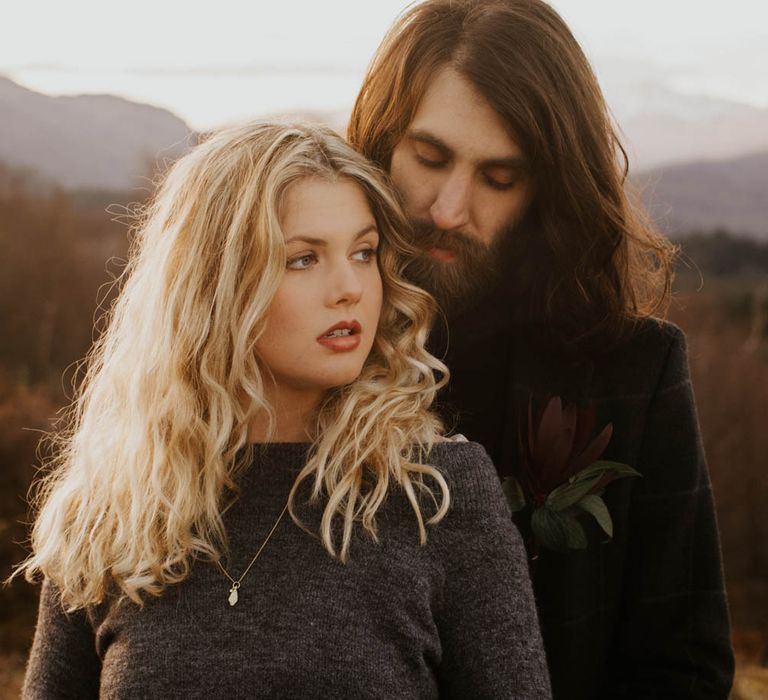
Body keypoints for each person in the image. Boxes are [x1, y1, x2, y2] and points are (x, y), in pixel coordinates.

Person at [15, 121, 552, 698]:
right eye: (303, 259)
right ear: (216, 286)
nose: (349, 287)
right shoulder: (110, 512)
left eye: (364, 252)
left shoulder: (436, 493)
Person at [347, 1, 735, 698]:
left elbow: (684, 668)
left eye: (499, 178)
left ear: (547, 189)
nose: (448, 208)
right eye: (430, 157)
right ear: (380, 143)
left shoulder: (634, 373)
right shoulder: (303, 347)